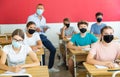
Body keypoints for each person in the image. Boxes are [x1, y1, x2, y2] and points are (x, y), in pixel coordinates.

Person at [27, 3, 59, 72]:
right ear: (36, 9)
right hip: (34, 36)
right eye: (38, 8)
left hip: (42, 36)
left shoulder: (44, 19)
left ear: (44, 10)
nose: (39, 10)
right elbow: (27, 28)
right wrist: (35, 29)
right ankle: (43, 68)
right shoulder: (31, 17)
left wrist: (44, 29)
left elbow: (42, 30)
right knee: (42, 52)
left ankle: (50, 67)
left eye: (41, 8)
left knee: (53, 49)